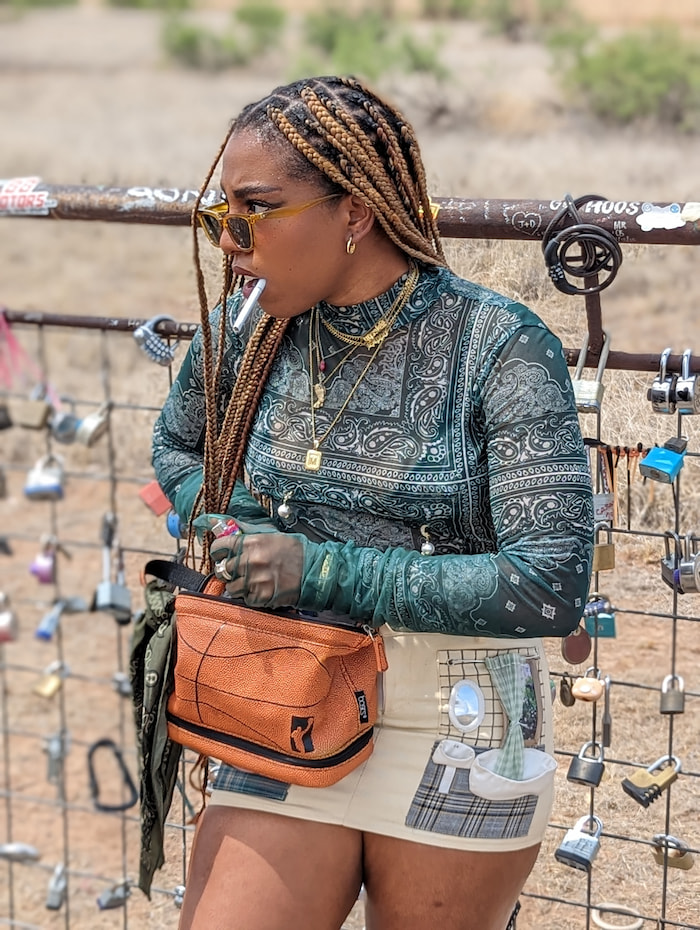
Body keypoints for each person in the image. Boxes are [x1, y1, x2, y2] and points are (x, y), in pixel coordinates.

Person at [151, 74, 593, 930]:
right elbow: (179, 445)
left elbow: (549, 584)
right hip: (287, 688)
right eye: (219, 215)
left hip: (462, 719)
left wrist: (318, 567)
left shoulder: (498, 346)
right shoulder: (252, 326)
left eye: (255, 209)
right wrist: (225, 521)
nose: (229, 241)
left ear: (353, 215)